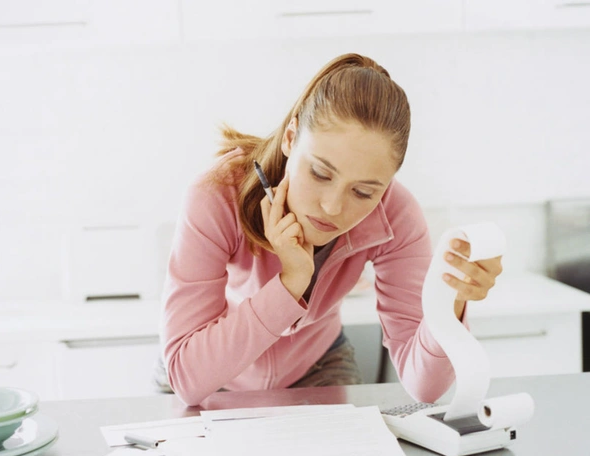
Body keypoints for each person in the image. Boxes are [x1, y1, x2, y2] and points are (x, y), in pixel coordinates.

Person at [159, 53, 503, 407]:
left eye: (363, 192)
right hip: (210, 365)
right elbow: (187, 378)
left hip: (318, 366)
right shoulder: (216, 196)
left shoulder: (396, 214)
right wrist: (290, 283)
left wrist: (450, 299)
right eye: (320, 173)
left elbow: (425, 388)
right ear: (290, 137)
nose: (333, 207)